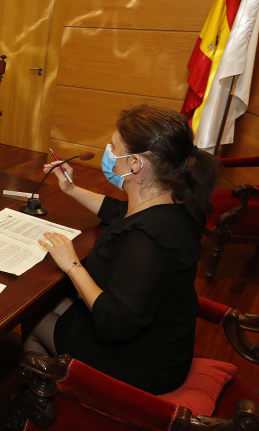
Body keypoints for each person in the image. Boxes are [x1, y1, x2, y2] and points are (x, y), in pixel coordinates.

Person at [22, 105, 218, 395]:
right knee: (54, 301)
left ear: (136, 164)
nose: (108, 153)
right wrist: (71, 189)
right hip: (160, 342)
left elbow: (116, 322)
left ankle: (45, 403)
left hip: (143, 365)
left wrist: (72, 264)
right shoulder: (172, 205)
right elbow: (119, 212)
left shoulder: (146, 239)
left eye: (113, 148)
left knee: (33, 319)